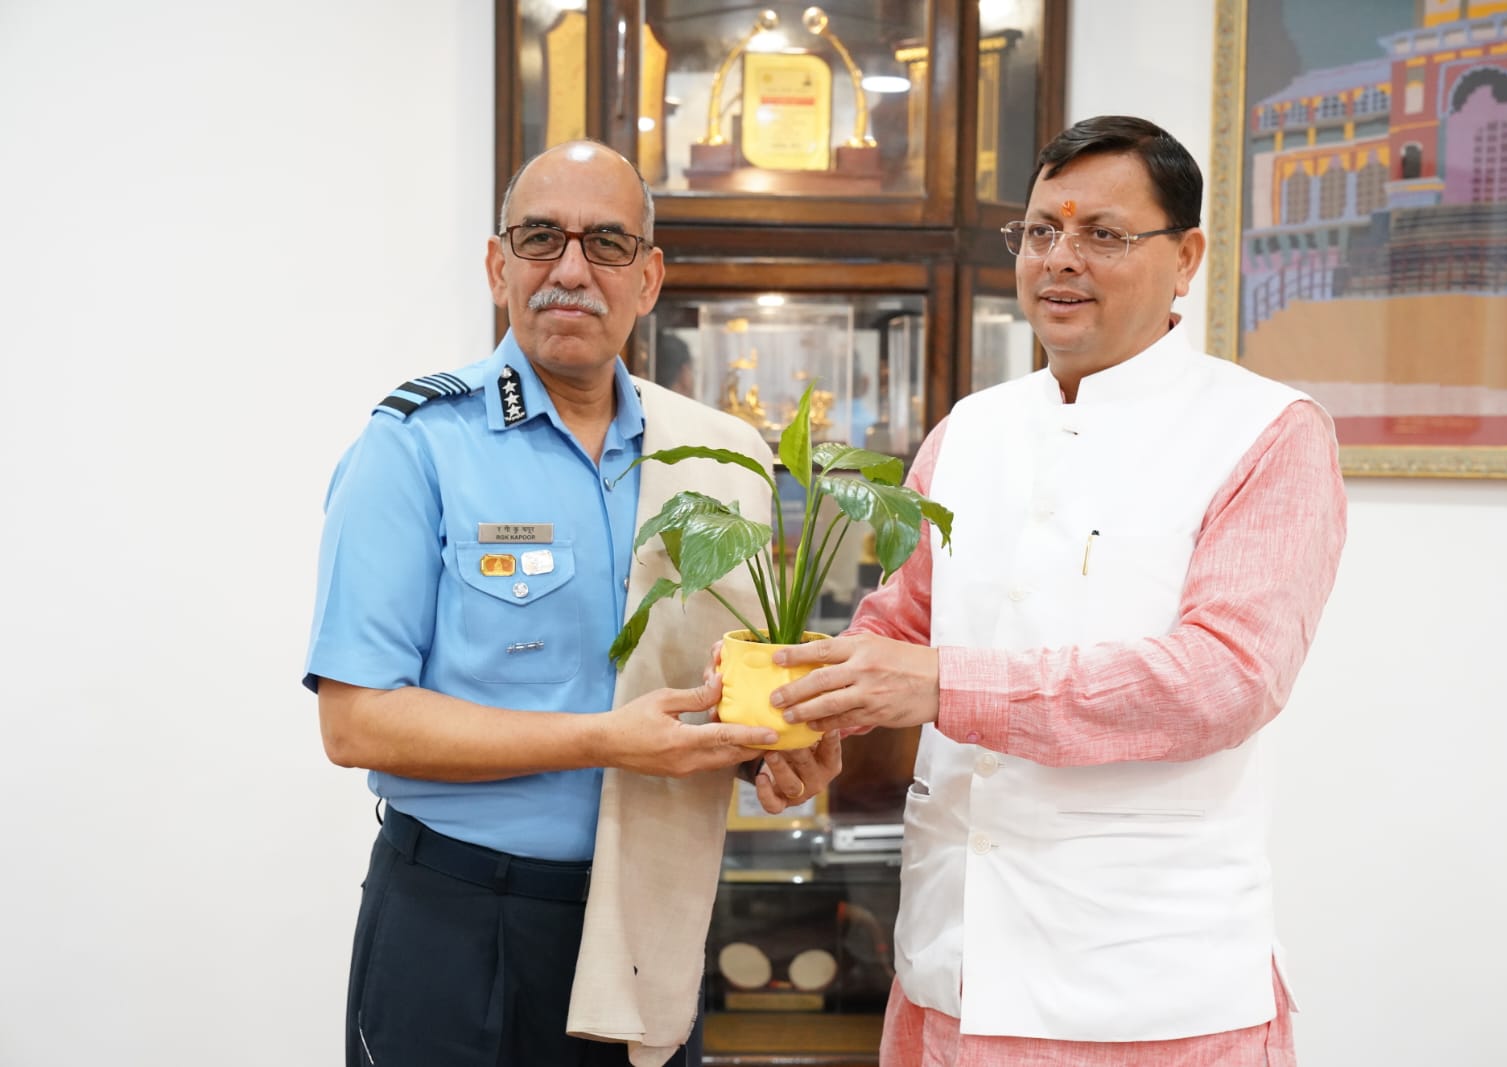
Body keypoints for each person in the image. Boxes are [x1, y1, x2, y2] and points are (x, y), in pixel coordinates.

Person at [767, 115, 1348, 1066]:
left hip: (1146, 993)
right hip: (947, 970)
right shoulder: (969, 429)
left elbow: (1225, 678)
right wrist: (807, 720)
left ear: (1186, 258)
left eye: (1102, 234)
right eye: (1040, 231)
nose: (1059, 259)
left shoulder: (1267, 432)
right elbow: (897, 630)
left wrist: (943, 685)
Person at [304, 140, 841, 1067]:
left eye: (607, 244)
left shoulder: (719, 457)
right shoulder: (417, 445)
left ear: (649, 278)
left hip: (649, 922)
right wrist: (605, 739)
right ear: (497, 265)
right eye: (541, 237)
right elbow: (356, 723)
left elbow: (712, 696)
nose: (571, 269)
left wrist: (775, 758)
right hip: (460, 922)